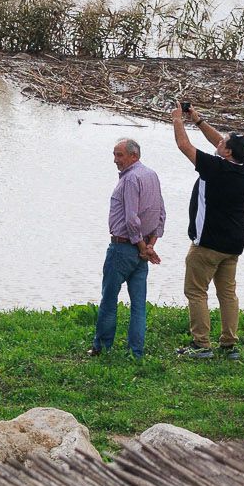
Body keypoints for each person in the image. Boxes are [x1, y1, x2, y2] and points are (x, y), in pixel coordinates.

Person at [170, 99, 244, 360]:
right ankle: (229, 345)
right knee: (227, 293)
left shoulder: (214, 168)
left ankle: (201, 345)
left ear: (227, 152)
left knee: (195, 291)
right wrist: (198, 120)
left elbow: (184, 146)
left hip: (207, 245)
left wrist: (177, 120)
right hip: (233, 244)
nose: (218, 143)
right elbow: (220, 142)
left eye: (223, 143)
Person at [91, 136, 164, 359]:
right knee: (138, 305)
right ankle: (136, 352)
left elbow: (132, 219)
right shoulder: (151, 175)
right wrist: (150, 245)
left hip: (123, 248)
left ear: (134, 156)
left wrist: (143, 246)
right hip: (141, 253)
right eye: (114, 154)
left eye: (119, 155)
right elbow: (160, 215)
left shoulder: (131, 179)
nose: (115, 160)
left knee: (109, 299)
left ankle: (102, 347)